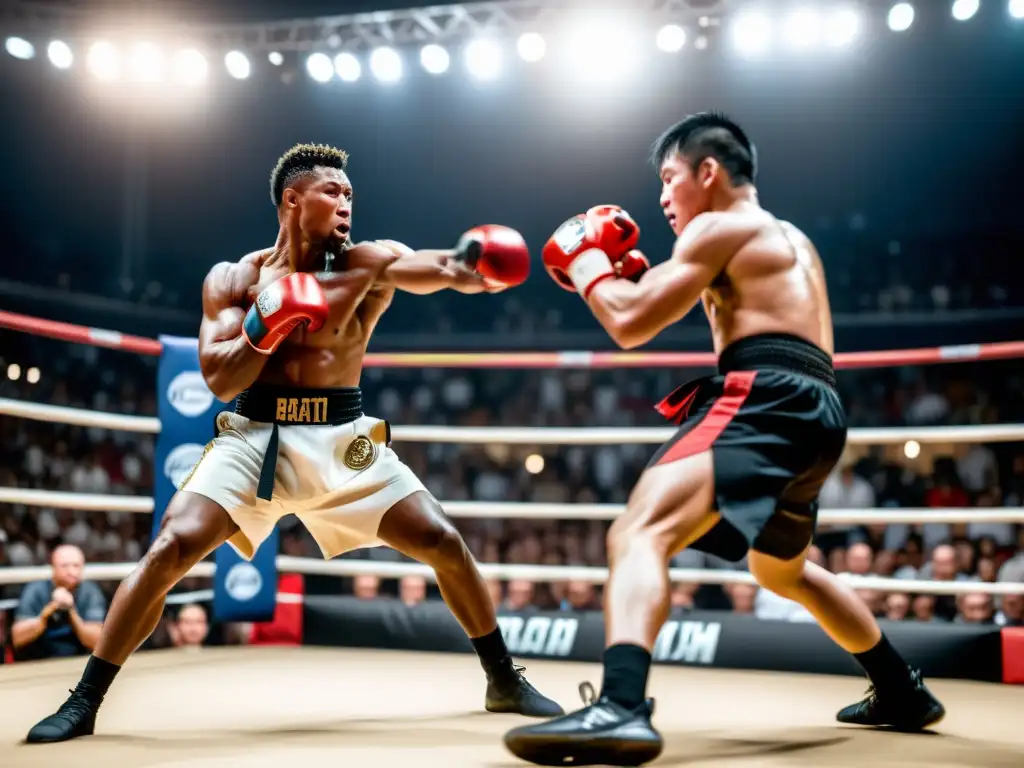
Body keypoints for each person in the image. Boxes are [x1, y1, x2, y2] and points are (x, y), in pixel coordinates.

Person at [26, 143, 561, 744]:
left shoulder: (368, 263)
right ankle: (84, 700)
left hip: (343, 439)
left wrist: (475, 261)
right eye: (332, 192)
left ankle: (502, 679)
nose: (346, 204)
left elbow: (441, 271)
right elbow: (220, 378)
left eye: (350, 195)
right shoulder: (235, 279)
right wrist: (265, 324)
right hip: (255, 437)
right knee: (171, 548)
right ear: (292, 199)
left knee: (444, 542)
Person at [504, 113, 945, 766]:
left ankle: (620, 707)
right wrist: (621, 274)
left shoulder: (719, 225)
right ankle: (898, 686)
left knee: (638, 531)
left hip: (762, 396)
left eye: (668, 178)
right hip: (819, 408)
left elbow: (629, 322)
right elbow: (653, 294)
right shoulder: (789, 237)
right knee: (781, 569)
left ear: (708, 173)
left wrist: (589, 259)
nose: (661, 199)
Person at [11, 544, 107, 661]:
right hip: (38, 661)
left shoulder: (90, 592)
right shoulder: (35, 590)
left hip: (79, 661)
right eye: (64, 566)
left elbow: (97, 642)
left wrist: (71, 611)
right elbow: (17, 639)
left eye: (76, 565)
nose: (71, 571)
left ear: (83, 567)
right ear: (53, 567)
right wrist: (46, 614)